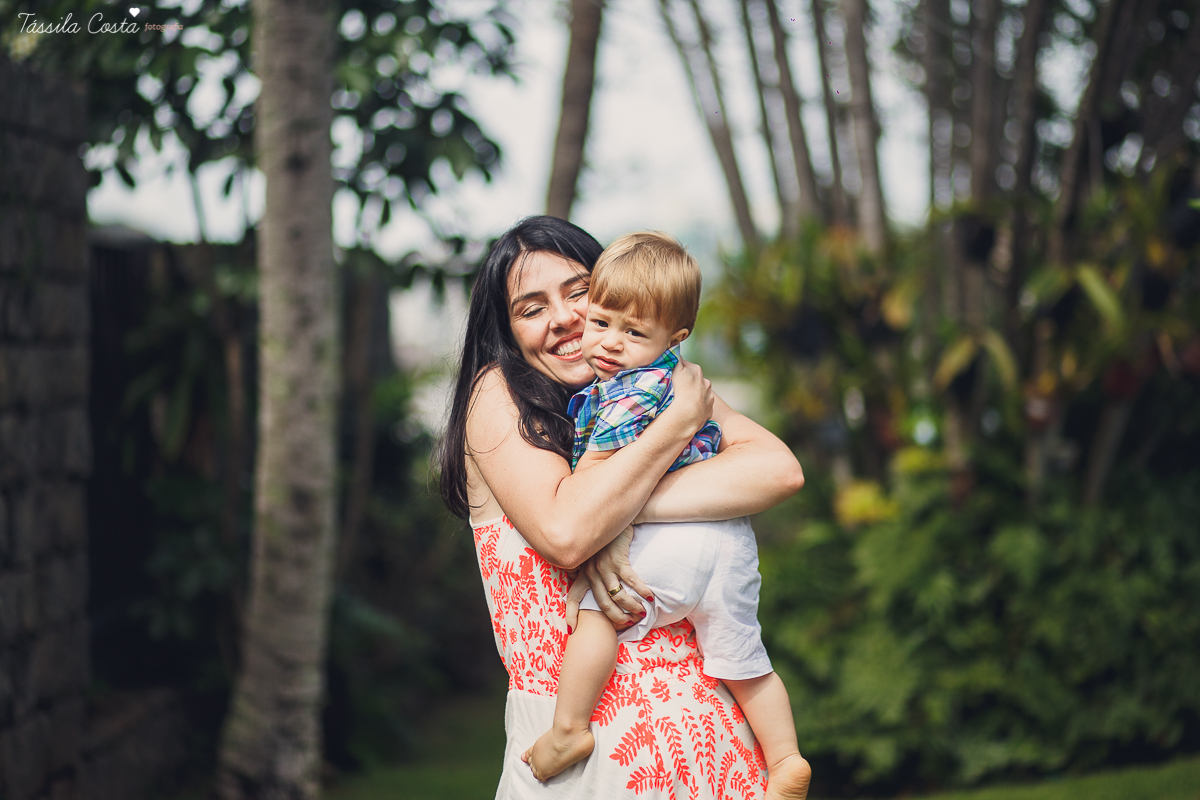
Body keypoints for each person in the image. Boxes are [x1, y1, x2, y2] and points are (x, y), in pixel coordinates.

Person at [438, 216, 811, 799]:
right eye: (532, 309)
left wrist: (620, 511)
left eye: (580, 293)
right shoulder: (497, 393)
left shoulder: (658, 381)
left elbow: (778, 470)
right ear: (507, 330)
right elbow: (567, 531)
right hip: (596, 762)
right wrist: (676, 429)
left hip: (710, 743)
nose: (565, 318)